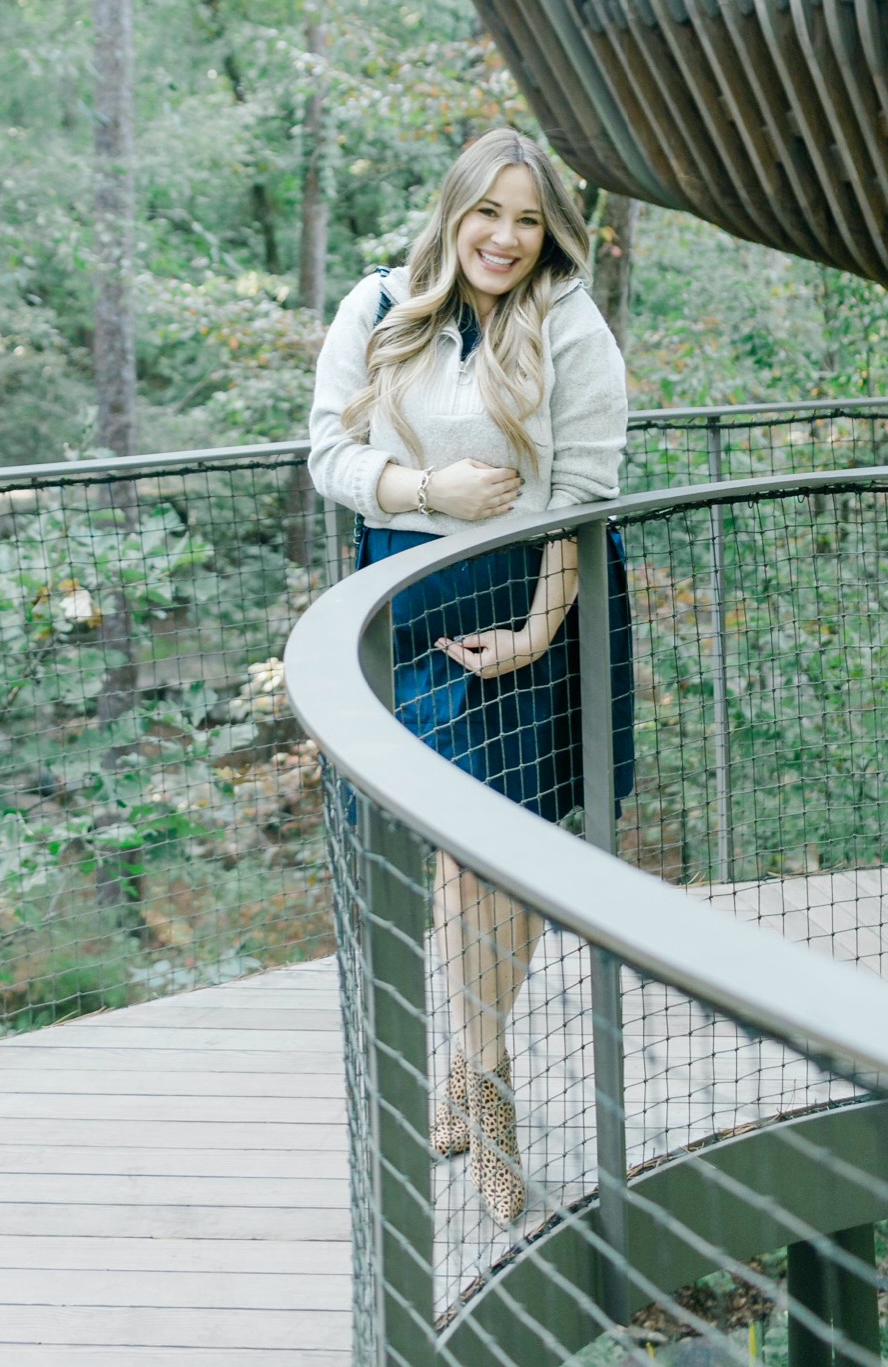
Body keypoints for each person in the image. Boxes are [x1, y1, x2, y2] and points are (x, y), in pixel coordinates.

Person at [308, 128, 633, 1227]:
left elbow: (585, 488)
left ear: (549, 232)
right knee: (464, 855)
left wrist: (540, 629)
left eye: (527, 217)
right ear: (452, 213)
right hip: (410, 608)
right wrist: (423, 486)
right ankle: (483, 1079)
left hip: (541, 600)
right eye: (486, 211)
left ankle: (473, 1076)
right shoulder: (375, 309)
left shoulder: (568, 321)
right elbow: (326, 458)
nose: (503, 236)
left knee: (511, 854)